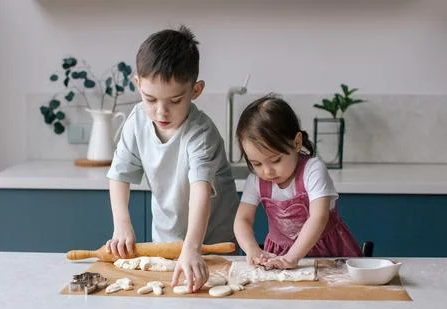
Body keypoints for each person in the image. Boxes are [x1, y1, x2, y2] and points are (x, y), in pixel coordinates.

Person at [105, 25, 239, 292]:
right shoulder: (136, 121)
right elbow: (119, 175)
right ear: (137, 85)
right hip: (166, 239)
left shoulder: (201, 133)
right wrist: (122, 224)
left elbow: (200, 190)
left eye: (175, 101)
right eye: (150, 98)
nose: (160, 111)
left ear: (196, 90)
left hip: (213, 242)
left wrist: (192, 247)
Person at [234, 95, 362, 269]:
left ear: (296, 143)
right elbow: (243, 219)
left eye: (276, 160)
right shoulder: (256, 180)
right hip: (280, 255)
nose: (267, 171)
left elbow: (319, 217)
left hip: (327, 254)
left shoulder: (313, 170)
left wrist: (291, 258)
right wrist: (251, 248)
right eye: (256, 163)